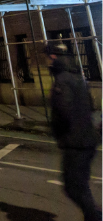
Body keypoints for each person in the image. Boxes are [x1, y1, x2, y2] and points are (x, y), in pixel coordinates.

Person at [47, 42, 102, 221]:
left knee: (73, 187)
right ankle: (93, 214)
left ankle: (95, 216)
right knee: (81, 185)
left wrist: (57, 129)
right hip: (88, 140)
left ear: (54, 57)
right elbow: (91, 107)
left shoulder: (62, 80)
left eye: (48, 57)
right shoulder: (78, 77)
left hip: (75, 142)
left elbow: (65, 111)